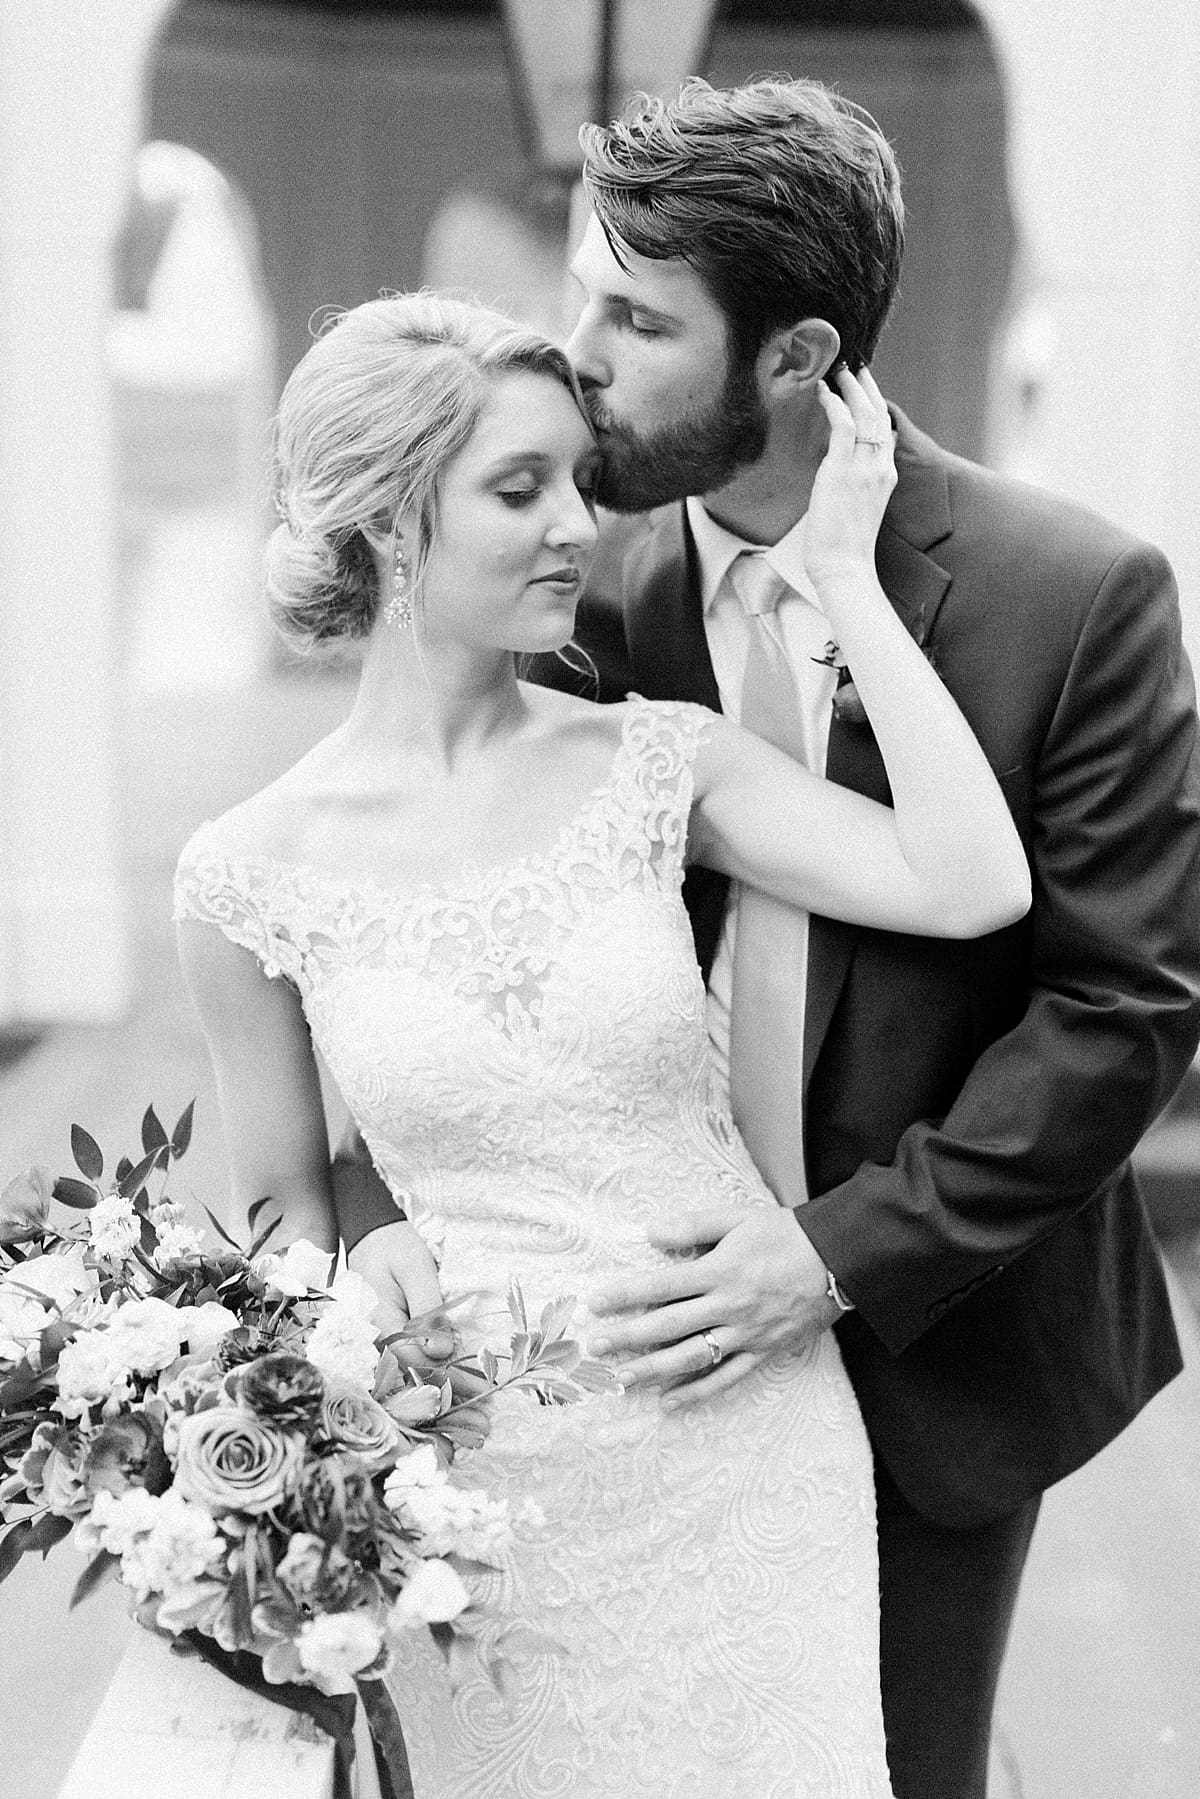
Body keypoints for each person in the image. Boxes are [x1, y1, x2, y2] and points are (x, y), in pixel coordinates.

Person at [337, 80, 1200, 1799]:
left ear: (798, 359)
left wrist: (829, 1260)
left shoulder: (1077, 593)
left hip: (929, 1332)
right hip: (626, 1352)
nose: (577, 350)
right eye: (589, 292)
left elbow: (1123, 1012)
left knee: (896, 1768)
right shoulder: (579, 601)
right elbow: (438, 921)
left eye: (640, 321)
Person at [174, 290, 1028, 1797]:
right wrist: (356, 1263)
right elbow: (280, 1235)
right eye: (521, 490)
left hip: (742, 1443)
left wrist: (846, 578)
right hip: (480, 1512)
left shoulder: (659, 762)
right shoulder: (244, 876)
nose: (580, 522)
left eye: (578, 478)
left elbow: (970, 884)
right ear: (383, 524)